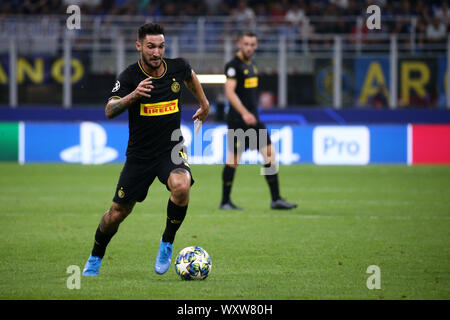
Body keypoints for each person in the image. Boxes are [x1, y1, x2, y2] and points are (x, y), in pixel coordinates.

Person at [82, 23, 209, 276]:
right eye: (151, 46)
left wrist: (204, 103)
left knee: (182, 186)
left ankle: (167, 242)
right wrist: (134, 96)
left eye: (161, 46)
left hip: (171, 148)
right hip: (140, 156)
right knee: (117, 213)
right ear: (139, 46)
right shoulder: (129, 77)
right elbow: (110, 110)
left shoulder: (176, 67)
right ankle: (95, 256)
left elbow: (190, 75)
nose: (156, 52)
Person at [219, 31, 297, 211]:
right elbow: (229, 93)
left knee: (270, 154)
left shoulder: (252, 65)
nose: (249, 48)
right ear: (239, 43)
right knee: (233, 160)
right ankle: (225, 201)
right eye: (246, 44)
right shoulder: (233, 66)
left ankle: (276, 199)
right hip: (239, 120)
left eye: (253, 44)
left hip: (254, 120)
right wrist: (245, 113)